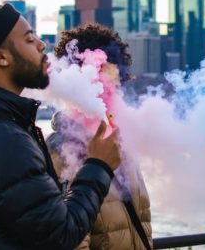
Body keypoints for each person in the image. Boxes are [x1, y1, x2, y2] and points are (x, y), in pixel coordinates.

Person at [0, 3, 121, 249]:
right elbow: (58, 236)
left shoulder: (8, 128)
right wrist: (99, 166)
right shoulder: (6, 139)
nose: (42, 45)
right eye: (29, 39)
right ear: (0, 57)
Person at [50, 23, 152, 250]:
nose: (113, 86)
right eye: (104, 73)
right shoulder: (62, 152)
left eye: (116, 76)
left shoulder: (121, 144)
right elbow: (70, 242)